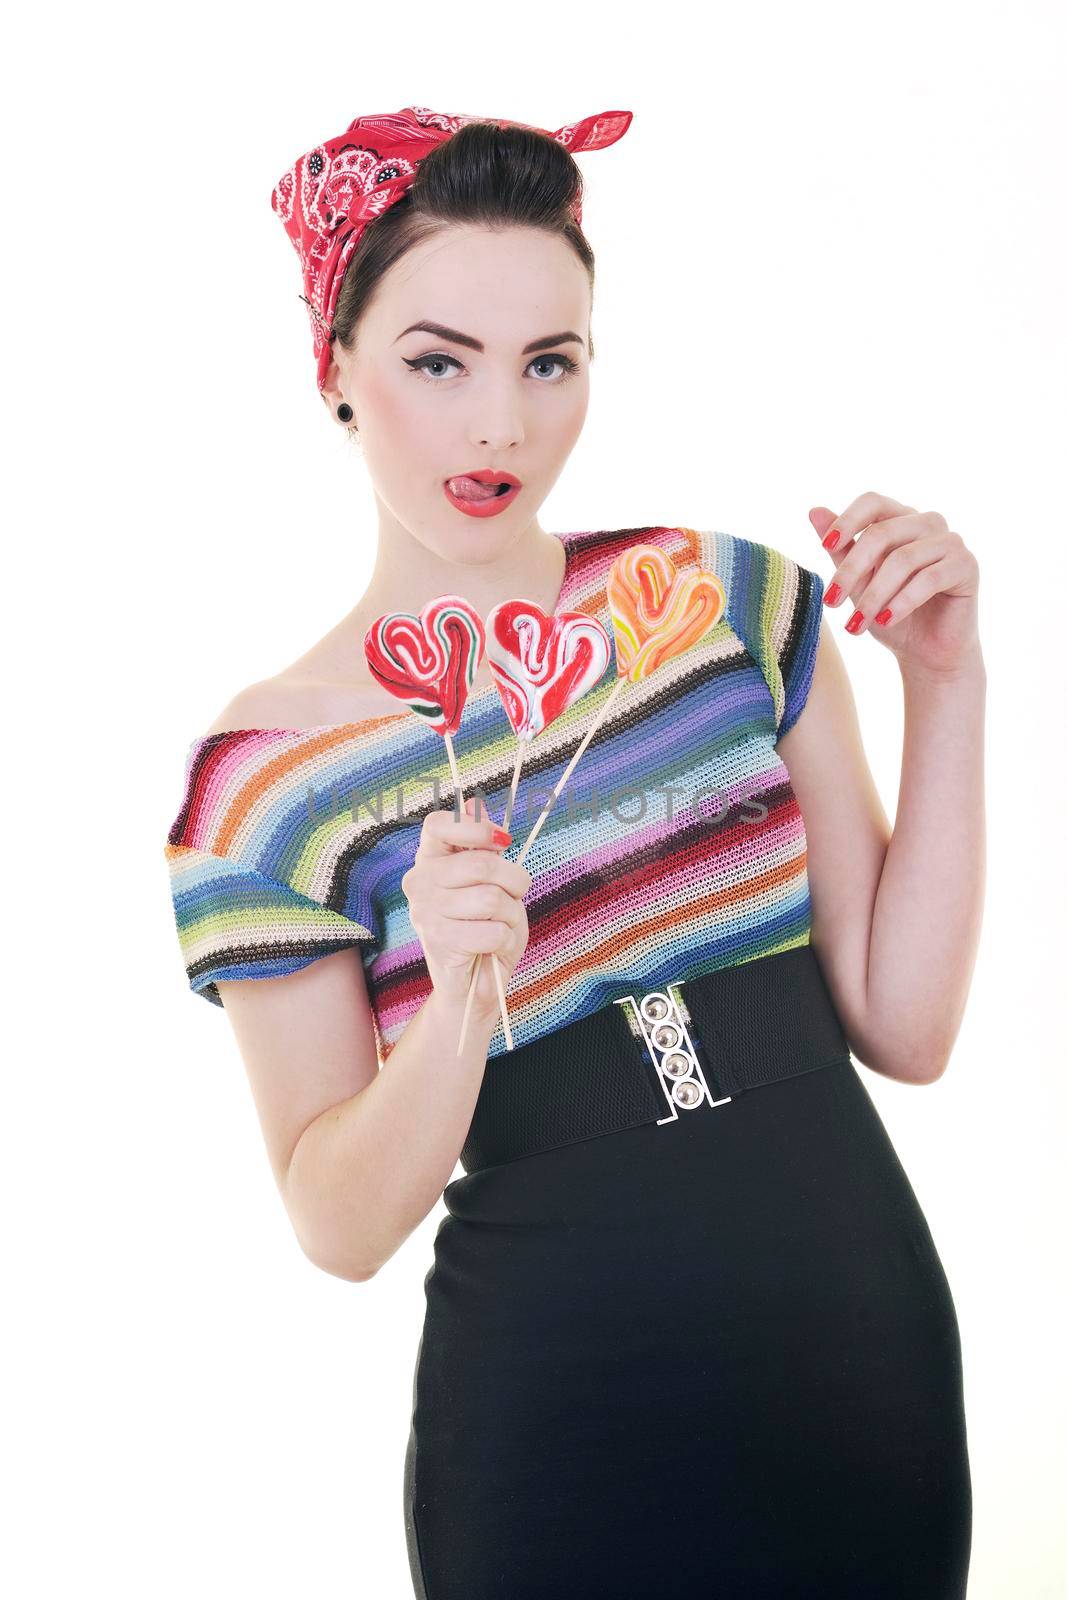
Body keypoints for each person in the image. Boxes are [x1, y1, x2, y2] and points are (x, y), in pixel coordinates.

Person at [164, 106, 983, 1598]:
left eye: (551, 360)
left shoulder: (723, 603)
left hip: (851, 1355)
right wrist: (464, 989)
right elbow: (340, 1225)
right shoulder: (269, 781)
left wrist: (946, 678)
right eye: (438, 360)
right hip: (555, 1409)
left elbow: (904, 1023)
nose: (500, 427)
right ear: (334, 365)